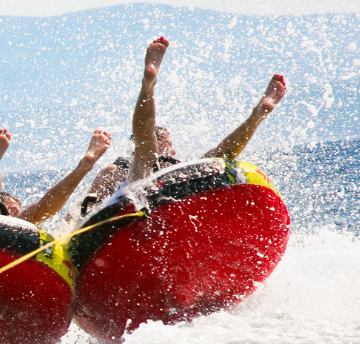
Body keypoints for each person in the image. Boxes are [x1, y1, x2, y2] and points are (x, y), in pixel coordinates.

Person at [79, 37, 288, 216]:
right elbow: (89, 209)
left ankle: (148, 85)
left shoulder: (162, 168)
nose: (166, 142)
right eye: (161, 138)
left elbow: (85, 210)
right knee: (207, 158)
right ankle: (255, 117)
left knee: (205, 159)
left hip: (155, 205)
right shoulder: (125, 168)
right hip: (136, 205)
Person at [0, 127, 112, 225]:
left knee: (36, 213)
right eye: (10, 209)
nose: (13, 213)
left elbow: (40, 207)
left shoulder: (15, 226)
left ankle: (82, 168)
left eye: (15, 210)